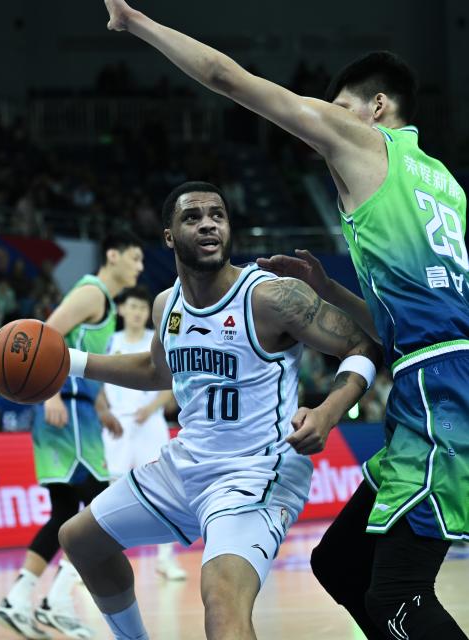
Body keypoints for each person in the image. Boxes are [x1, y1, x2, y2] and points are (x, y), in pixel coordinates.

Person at [100, 5, 469, 637]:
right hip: (435, 374)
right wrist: (332, 292)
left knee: (398, 600)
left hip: (440, 395)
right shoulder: (445, 184)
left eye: (339, 108)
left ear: (376, 108)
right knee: (341, 563)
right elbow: (404, 327)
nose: (325, 124)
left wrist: (138, 24)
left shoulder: (364, 141)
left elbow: (225, 75)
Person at [58, 181, 379, 640]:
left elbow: (361, 343)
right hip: (187, 464)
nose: (208, 223)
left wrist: (327, 411)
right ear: (168, 236)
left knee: (222, 603)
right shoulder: (166, 305)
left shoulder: (270, 297)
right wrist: (69, 362)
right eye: (192, 217)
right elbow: (157, 370)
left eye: (218, 215)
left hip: (257, 470)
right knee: (80, 540)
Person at [0, 232, 144, 640]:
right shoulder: (93, 292)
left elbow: (79, 360)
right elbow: (45, 337)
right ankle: (56, 599)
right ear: (111, 254)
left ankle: (23, 596)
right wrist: (52, 394)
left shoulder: (106, 305)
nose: (140, 266)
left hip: (82, 411)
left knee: (67, 511)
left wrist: (102, 409)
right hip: (65, 413)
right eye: (134, 257)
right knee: (97, 514)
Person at [101, 285, 186, 580]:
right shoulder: (109, 341)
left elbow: (175, 381)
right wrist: (104, 412)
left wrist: (152, 409)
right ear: (122, 310)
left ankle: (166, 559)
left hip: (150, 424)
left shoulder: (157, 341)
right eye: (132, 307)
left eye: (141, 307)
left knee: (163, 490)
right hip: (117, 427)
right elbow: (97, 385)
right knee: (111, 493)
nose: (137, 312)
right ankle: (105, 562)